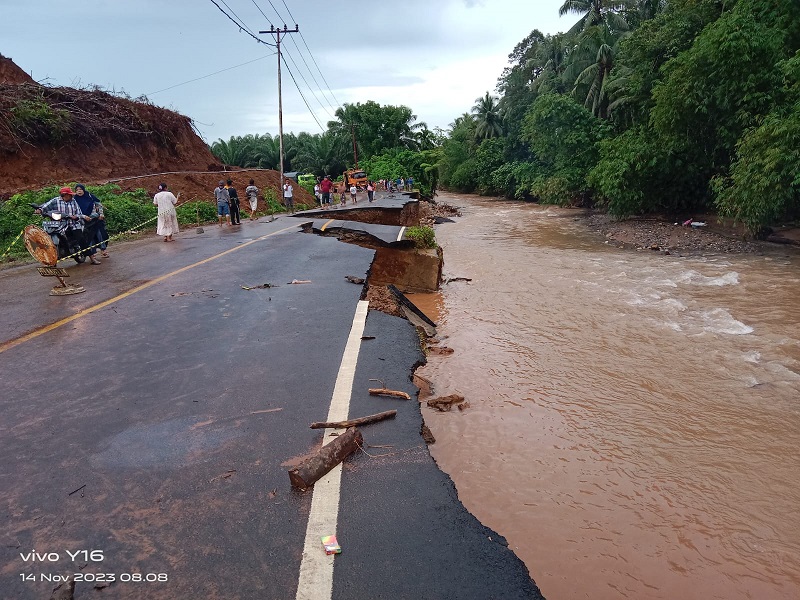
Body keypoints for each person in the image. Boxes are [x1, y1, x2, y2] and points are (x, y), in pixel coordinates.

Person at [37, 186, 92, 262]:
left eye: (71, 195)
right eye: (69, 194)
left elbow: (79, 213)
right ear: (64, 195)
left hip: (73, 224)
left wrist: (75, 217)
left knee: (80, 239)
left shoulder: (73, 201)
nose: (71, 196)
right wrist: (40, 210)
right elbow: (46, 206)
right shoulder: (55, 200)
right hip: (59, 224)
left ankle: (92, 258)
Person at [73, 184, 102, 264]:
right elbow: (75, 212)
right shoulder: (74, 200)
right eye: (77, 190)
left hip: (93, 220)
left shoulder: (89, 196)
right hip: (82, 221)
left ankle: (102, 251)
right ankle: (92, 255)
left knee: (98, 235)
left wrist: (100, 214)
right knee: (87, 238)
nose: (79, 191)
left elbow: (98, 205)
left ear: (84, 190)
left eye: (80, 189)